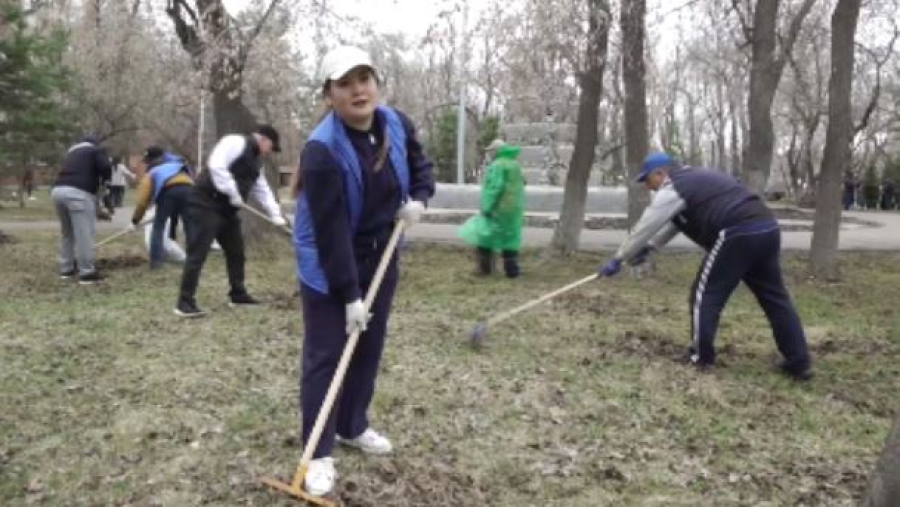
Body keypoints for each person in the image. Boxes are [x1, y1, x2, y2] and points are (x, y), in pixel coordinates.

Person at [291, 45, 435, 497]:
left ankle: (352, 425)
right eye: (345, 83)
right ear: (328, 94)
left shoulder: (396, 123)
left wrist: (420, 199)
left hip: (382, 252)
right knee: (327, 354)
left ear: (376, 83)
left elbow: (420, 166)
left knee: (368, 346)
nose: (358, 90)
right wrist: (350, 295)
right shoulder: (322, 151)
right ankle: (317, 452)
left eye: (364, 79)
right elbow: (331, 233)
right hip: (329, 259)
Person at [597, 152, 812, 380]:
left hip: (736, 232)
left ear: (660, 173)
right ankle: (798, 362)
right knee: (775, 297)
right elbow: (677, 222)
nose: (648, 187)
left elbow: (646, 225)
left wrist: (618, 258)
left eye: (647, 180)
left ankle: (700, 357)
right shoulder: (697, 178)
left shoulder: (674, 186)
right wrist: (650, 247)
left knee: (705, 294)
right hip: (766, 228)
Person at [173, 125, 286, 317]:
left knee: (236, 252)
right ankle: (184, 303)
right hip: (205, 203)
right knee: (198, 254)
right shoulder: (235, 141)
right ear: (264, 139)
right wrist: (232, 192)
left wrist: (275, 215)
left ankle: (238, 294)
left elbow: (262, 190)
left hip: (227, 210)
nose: (269, 152)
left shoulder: (256, 163)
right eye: (271, 147)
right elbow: (216, 165)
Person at [457, 138, 525, 278]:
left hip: (498, 209)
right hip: (514, 210)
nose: (490, 154)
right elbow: (522, 183)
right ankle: (512, 272)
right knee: (510, 239)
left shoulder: (497, 166)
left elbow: (494, 188)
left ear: (496, 151)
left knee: (484, 236)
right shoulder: (515, 165)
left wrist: (486, 207)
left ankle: (485, 269)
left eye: (491, 151)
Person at [51, 135, 112, 284]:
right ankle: (86, 273)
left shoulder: (72, 153)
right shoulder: (95, 150)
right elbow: (105, 167)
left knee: (67, 233)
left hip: (57, 191)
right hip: (78, 194)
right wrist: (106, 181)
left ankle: (66, 269)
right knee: (84, 234)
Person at [131, 146, 195, 269]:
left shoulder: (152, 173)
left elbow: (142, 201)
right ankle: (194, 259)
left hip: (169, 192)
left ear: (151, 161)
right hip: (189, 190)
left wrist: (135, 219)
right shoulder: (178, 165)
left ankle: (156, 263)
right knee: (189, 226)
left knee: (158, 226)